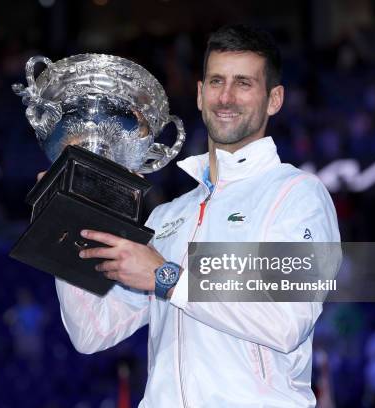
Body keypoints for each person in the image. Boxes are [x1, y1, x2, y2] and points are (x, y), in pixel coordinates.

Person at [53, 24, 340, 407]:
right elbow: (91, 331)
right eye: (217, 81)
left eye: (244, 83)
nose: (226, 96)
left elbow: (286, 320)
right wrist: (67, 211)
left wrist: (167, 277)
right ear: (201, 95)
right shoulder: (169, 216)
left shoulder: (296, 195)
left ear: (274, 99)